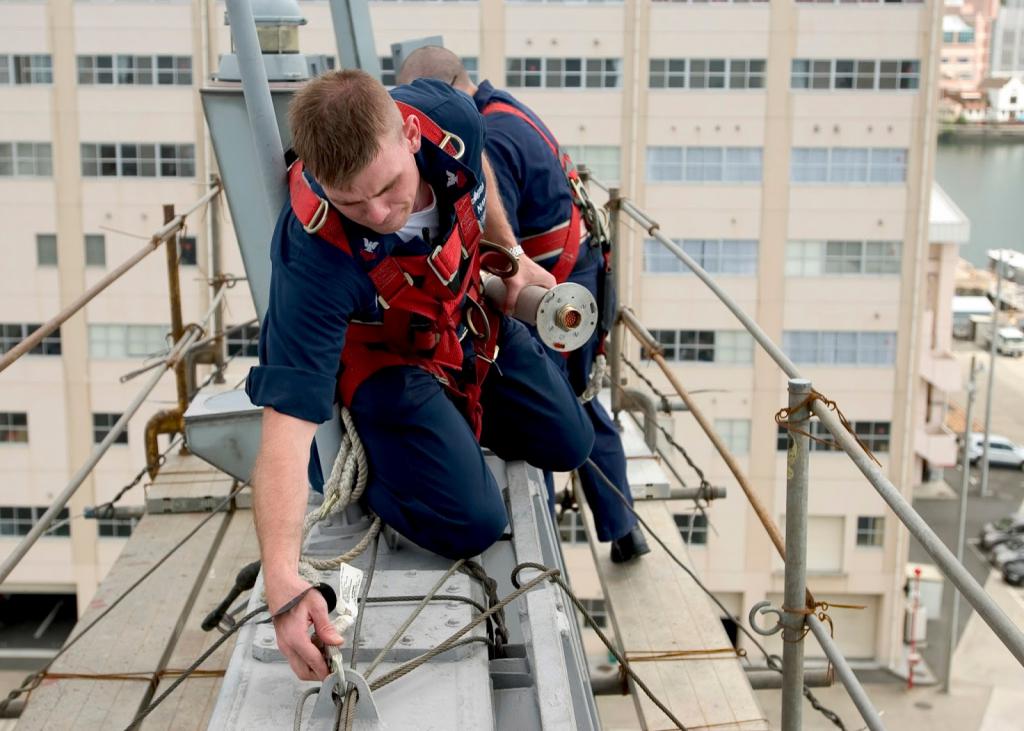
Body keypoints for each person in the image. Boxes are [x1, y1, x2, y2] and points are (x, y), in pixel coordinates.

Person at [244, 70, 595, 682]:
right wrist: (281, 573)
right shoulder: (315, 256)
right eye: (353, 202)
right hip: (386, 359)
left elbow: (477, 170)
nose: (379, 214)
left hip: (461, 313)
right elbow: (287, 424)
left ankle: (449, 428)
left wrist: (508, 257)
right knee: (472, 523)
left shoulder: (445, 117)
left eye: (389, 188)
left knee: (571, 443)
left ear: (410, 136)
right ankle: (389, 460)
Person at [398, 48, 649, 564]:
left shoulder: (489, 139)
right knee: (576, 400)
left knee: (563, 403)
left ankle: (605, 525)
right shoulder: (504, 110)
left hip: (552, 290)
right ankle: (622, 526)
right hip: (576, 273)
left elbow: (485, 234)